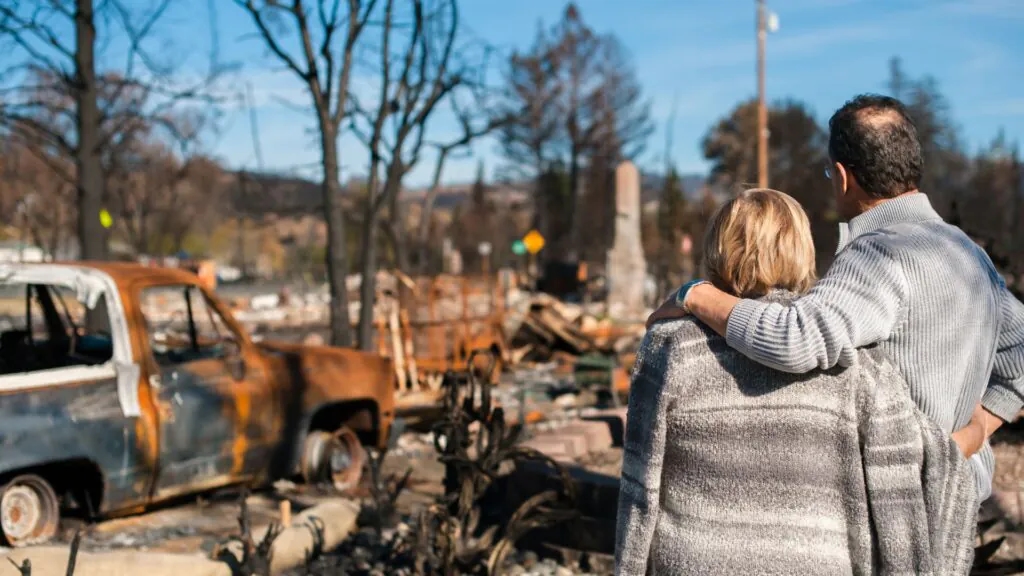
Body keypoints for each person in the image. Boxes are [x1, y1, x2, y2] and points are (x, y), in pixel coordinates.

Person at [647, 94, 1024, 501]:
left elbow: (794, 339)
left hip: (900, 505)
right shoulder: (968, 253)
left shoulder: (880, 254)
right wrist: (977, 430)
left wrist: (695, 294)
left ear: (843, 176)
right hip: (959, 497)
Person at [616, 189, 977, 575]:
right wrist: (981, 427)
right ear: (801, 249)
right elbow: (900, 489)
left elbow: (641, 485)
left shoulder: (670, 346)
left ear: (716, 249)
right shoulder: (854, 362)